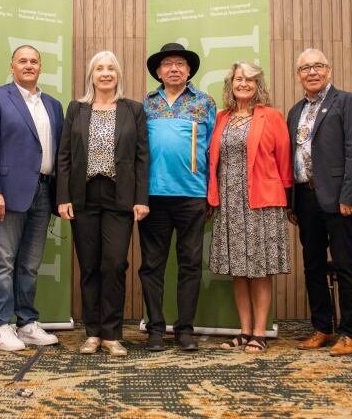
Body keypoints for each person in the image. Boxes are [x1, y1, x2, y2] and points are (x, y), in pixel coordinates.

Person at [56, 51, 150, 357]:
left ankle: (112, 334)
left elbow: (141, 157)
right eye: (99, 68)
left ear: (118, 75)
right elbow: (65, 156)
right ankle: (92, 333)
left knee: (113, 264)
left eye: (111, 68)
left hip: (118, 198)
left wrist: (140, 199)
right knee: (89, 267)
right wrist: (63, 198)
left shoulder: (133, 110)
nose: (105, 73)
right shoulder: (77, 109)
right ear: (91, 75)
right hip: (83, 198)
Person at [0, 45, 64, 351]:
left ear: (41, 67)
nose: (28, 65)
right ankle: (0, 326)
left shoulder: (53, 105)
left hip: (43, 191)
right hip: (8, 193)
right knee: (4, 263)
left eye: (34, 61)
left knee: (30, 265)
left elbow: (60, 153)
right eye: (22, 60)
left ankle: (26, 323)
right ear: (12, 66)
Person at [286, 49, 352, 356]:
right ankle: (322, 327)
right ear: (298, 75)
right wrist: (291, 201)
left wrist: (350, 195)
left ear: (329, 70)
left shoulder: (347, 103)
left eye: (318, 66)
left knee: (345, 264)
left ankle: (349, 332)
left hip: (338, 198)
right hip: (305, 197)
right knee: (313, 265)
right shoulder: (295, 111)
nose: (312, 72)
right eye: (305, 68)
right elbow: (291, 159)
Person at [207, 62, 292, 354]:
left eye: (250, 80)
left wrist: (286, 200)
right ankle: (244, 331)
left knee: (259, 269)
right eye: (239, 79)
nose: (244, 84)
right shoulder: (221, 118)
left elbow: (284, 161)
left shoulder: (272, 116)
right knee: (238, 270)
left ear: (258, 86)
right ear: (231, 84)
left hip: (262, 202)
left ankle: (260, 332)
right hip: (229, 204)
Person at [138, 42, 216, 352]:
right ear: (158, 72)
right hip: (153, 197)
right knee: (152, 266)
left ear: (189, 70)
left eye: (180, 64)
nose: (173, 68)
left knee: (191, 265)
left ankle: (185, 329)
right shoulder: (146, 104)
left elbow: (213, 152)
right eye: (167, 64)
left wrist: (211, 194)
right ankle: (155, 329)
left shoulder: (204, 102)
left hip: (192, 196)